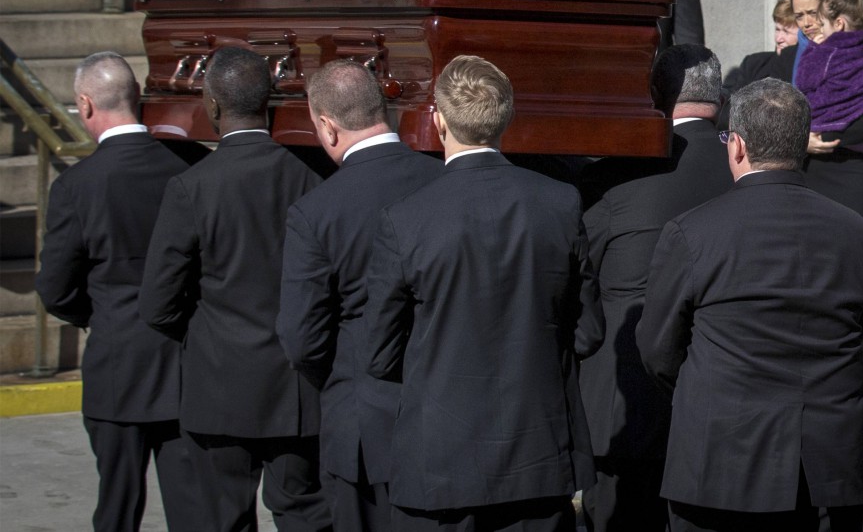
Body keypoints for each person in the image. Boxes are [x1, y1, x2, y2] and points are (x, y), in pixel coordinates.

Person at [363, 55, 603, 531]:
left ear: (438, 120)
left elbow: (379, 351)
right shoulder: (558, 203)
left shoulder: (406, 219)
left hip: (439, 461)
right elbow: (588, 330)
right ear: (508, 117)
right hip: (536, 452)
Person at [636, 78, 863, 532]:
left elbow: (657, 349)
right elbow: (857, 327)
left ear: (738, 145)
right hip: (828, 463)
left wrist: (704, 396)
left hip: (722, 461)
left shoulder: (694, 231)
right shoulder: (854, 230)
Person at [139, 46, 330, 531]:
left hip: (219, 387)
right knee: (305, 514)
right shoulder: (309, 177)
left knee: (220, 519)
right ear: (268, 101)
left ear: (212, 105)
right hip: (296, 388)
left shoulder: (192, 187)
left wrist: (205, 335)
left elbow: (158, 303)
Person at [35, 52, 200, 532]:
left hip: (116, 368)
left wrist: (99, 313)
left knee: (117, 508)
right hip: (184, 365)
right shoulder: (189, 165)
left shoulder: (77, 185)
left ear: (86, 105)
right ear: (137, 100)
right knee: (195, 509)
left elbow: (55, 287)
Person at [276, 60, 443, 531]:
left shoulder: (315, 212)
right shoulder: (443, 180)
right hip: (447, 416)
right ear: (382, 110)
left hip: (364, 428)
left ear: (326, 126)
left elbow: (301, 338)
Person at [578, 45, 733, 532]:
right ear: (720, 97)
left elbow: (581, 273)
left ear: (656, 96)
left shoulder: (614, 176)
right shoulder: (743, 171)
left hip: (627, 393)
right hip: (721, 391)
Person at [796, 0, 863, 244]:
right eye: (800, 16)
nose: (810, 24)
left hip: (849, 170)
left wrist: (824, 135)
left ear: (838, 23)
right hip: (810, 170)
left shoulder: (823, 53)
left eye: (816, 18)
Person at [720, 0, 798, 126]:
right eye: (777, 30)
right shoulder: (754, 64)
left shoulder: (807, 72)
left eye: (786, 32)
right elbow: (730, 109)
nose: (779, 38)